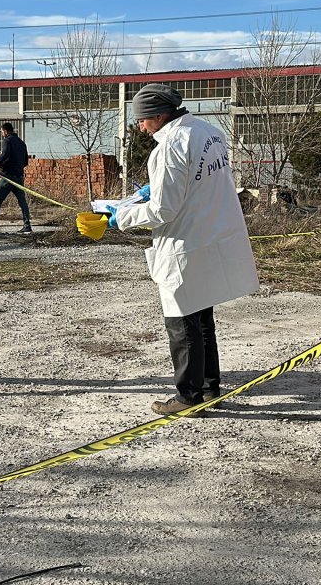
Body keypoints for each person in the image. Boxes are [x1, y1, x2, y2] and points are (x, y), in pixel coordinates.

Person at [108, 84, 259, 416]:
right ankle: (208, 387)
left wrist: (120, 217)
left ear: (160, 115)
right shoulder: (210, 132)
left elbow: (164, 210)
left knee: (181, 320)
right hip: (210, 237)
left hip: (184, 243)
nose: (141, 128)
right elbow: (199, 180)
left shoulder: (169, 146)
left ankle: (188, 398)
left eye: (143, 120)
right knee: (202, 317)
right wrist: (156, 187)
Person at [0, 122, 32, 234]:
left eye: (2, 132)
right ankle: (27, 225)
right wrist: (18, 168)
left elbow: (5, 154)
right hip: (19, 176)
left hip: (8, 177)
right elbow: (26, 161)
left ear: (5, 131)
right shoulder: (22, 143)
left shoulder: (7, 141)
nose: (2, 134)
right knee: (22, 202)